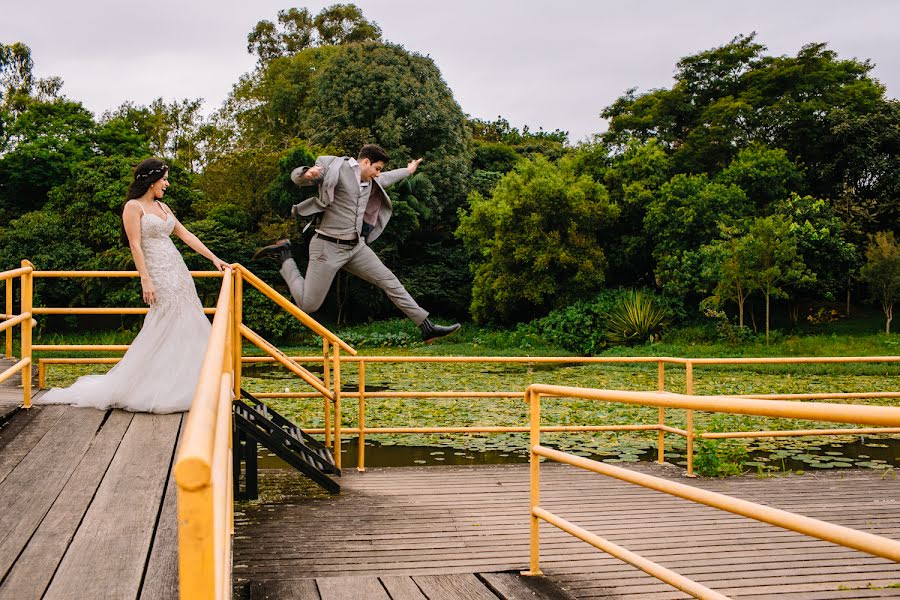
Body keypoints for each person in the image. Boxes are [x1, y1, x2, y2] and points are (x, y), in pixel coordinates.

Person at [37, 158, 229, 413]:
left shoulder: (163, 206)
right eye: (164, 179)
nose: (167, 184)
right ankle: (155, 387)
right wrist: (145, 279)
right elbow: (135, 245)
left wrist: (215, 259)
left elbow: (186, 235)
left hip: (178, 271)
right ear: (151, 181)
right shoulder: (133, 206)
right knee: (164, 324)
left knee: (188, 322)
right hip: (157, 273)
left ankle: (190, 383)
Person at [253, 144, 460, 342]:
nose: (378, 173)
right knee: (308, 305)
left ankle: (426, 326)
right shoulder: (336, 167)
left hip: (355, 247)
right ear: (366, 162)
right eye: (377, 168)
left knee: (389, 281)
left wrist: (409, 170)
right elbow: (302, 176)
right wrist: (306, 173)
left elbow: (387, 178)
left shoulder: (371, 180)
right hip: (327, 247)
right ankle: (284, 256)